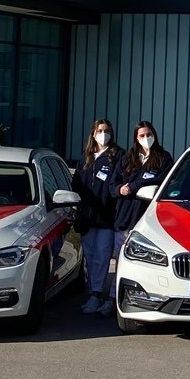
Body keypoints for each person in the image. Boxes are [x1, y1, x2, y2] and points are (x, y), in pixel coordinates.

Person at [73, 119, 123, 316]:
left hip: (107, 218)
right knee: (90, 256)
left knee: (102, 257)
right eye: (100, 131)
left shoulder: (117, 156)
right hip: (87, 217)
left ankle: (97, 294)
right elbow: (76, 185)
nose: (104, 134)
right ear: (93, 134)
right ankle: (93, 294)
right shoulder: (86, 158)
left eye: (107, 131)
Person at [114, 121, 173, 289]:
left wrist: (135, 186)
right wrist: (120, 189)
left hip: (147, 218)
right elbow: (113, 183)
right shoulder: (128, 157)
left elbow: (162, 180)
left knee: (143, 263)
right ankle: (113, 295)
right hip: (125, 217)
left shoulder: (163, 158)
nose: (146, 138)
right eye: (142, 135)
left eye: (149, 134)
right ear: (136, 138)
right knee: (120, 260)